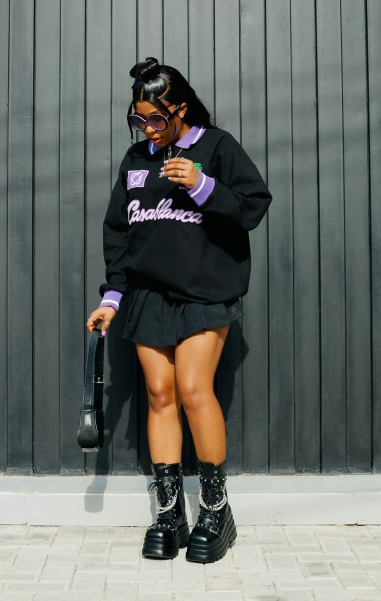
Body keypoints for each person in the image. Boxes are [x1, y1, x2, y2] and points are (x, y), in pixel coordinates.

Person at [86, 57, 272, 563]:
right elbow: (118, 233)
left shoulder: (216, 147)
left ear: (180, 110)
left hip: (205, 293)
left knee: (193, 390)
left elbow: (253, 206)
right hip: (148, 295)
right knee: (159, 393)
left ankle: (215, 509)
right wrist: (111, 297)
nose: (147, 128)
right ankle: (169, 513)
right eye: (138, 118)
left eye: (155, 119)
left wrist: (201, 184)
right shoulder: (135, 160)